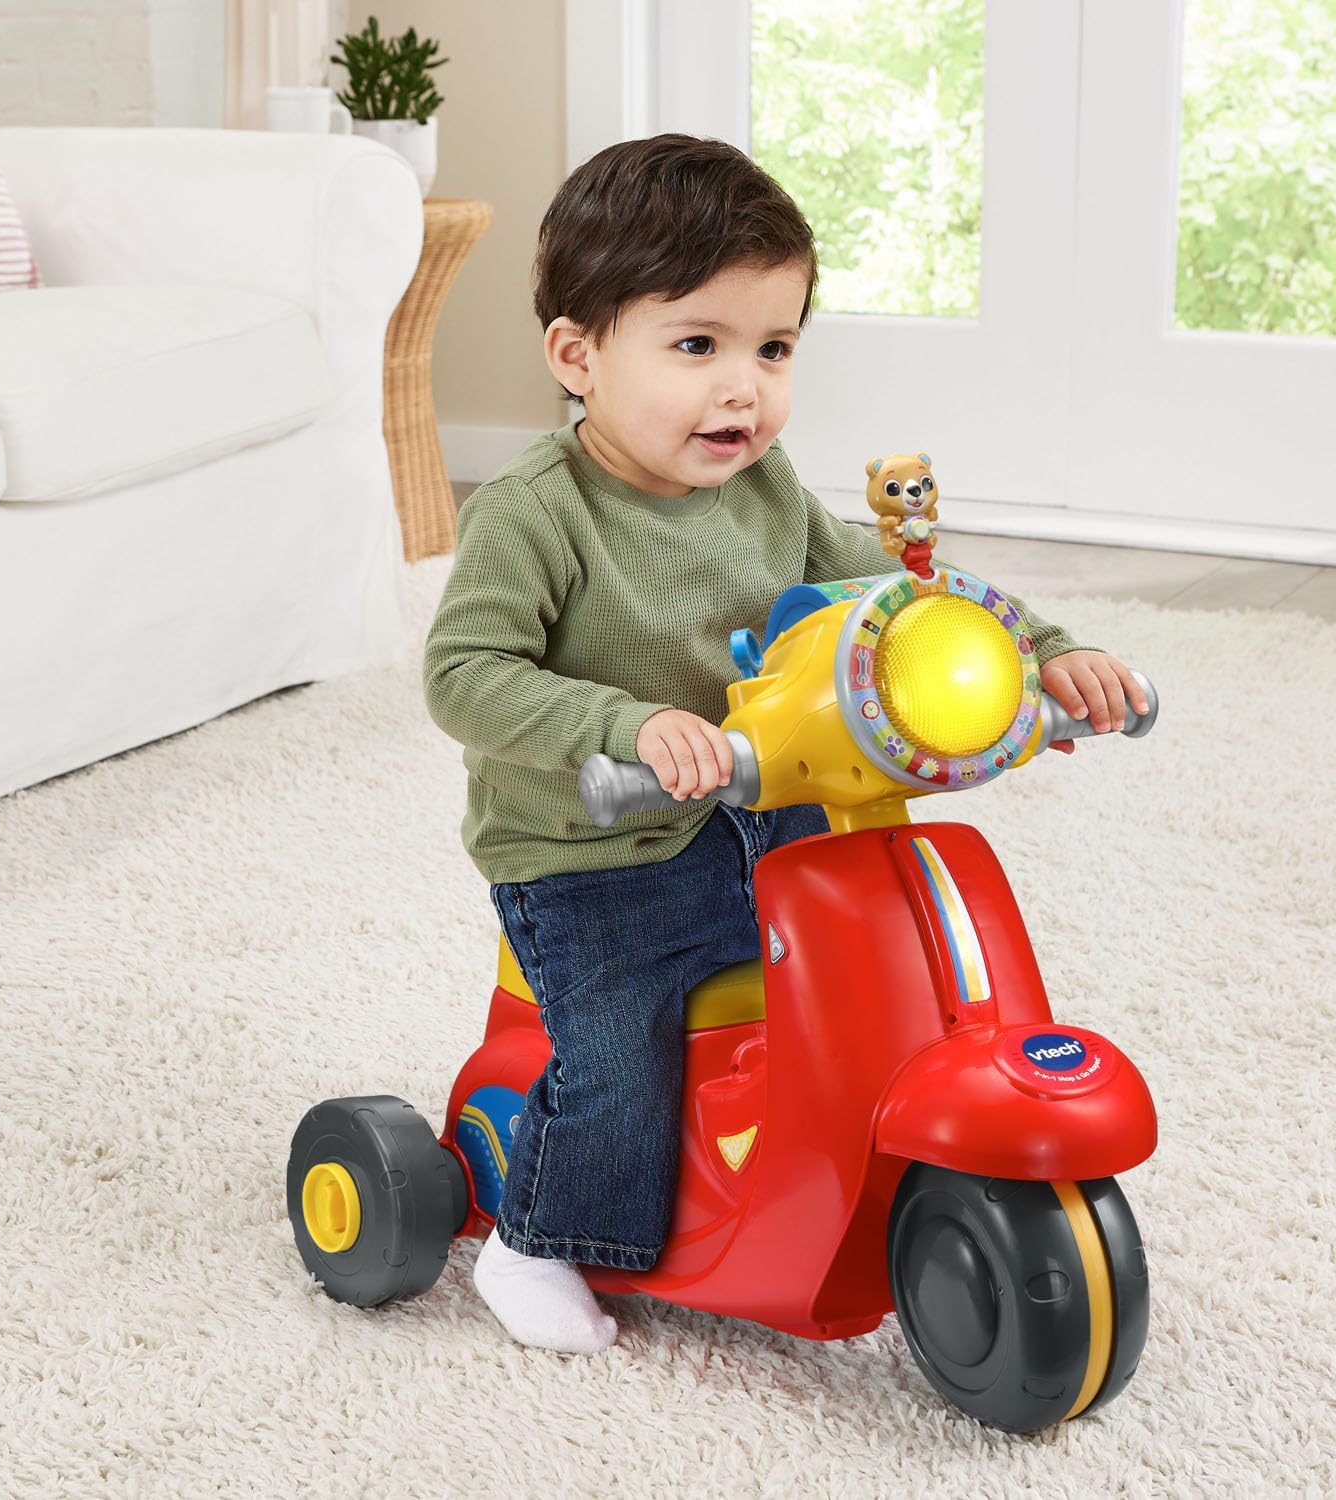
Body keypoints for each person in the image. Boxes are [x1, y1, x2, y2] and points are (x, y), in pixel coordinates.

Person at [423, 134, 1149, 1355]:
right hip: (594, 857)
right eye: (697, 346)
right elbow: (463, 675)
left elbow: (899, 591)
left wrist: (1043, 651)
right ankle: (539, 1238)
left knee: (885, 976)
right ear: (577, 356)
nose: (742, 388)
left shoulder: (766, 492)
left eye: (774, 348)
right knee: (626, 1046)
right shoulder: (533, 515)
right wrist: (627, 725)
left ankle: (829, 1170)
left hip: (766, 807)